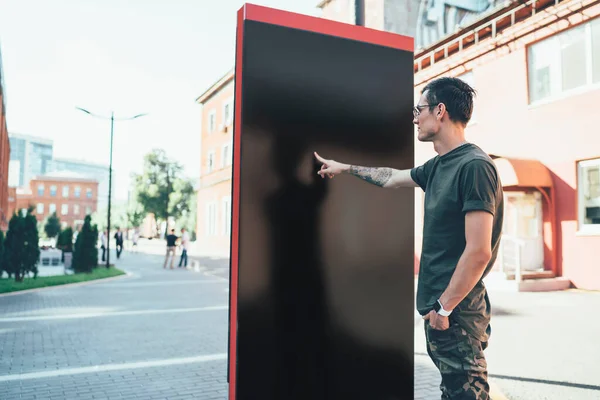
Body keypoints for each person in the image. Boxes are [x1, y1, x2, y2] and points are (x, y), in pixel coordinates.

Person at [314, 77, 503, 400]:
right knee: (455, 391)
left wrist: (444, 309)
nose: (415, 117)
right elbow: (391, 177)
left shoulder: (474, 167)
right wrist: (343, 167)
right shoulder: (438, 166)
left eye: (420, 109)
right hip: (443, 312)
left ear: (440, 111)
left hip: (456, 313)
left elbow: (478, 252)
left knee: (467, 394)